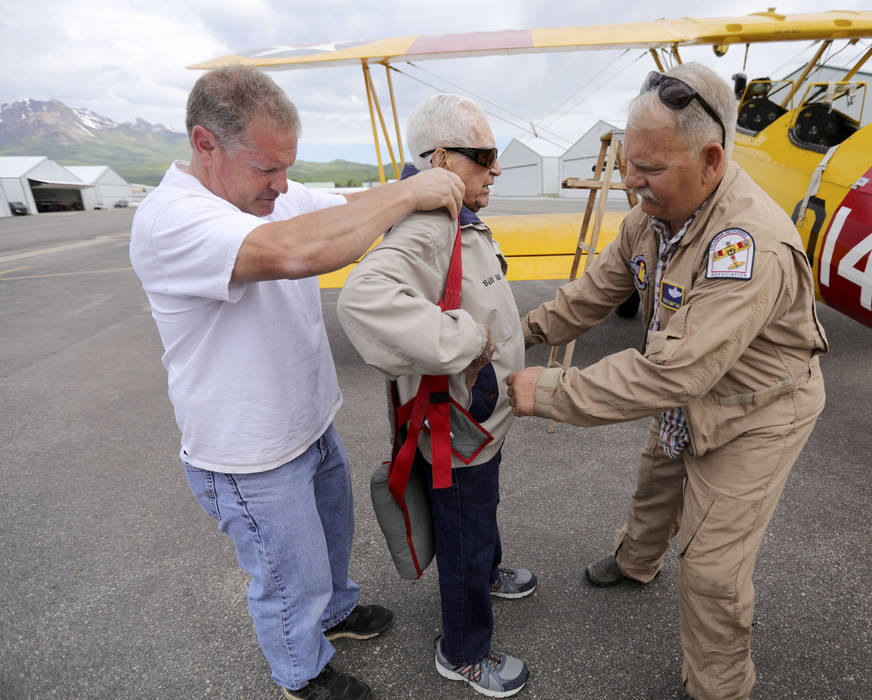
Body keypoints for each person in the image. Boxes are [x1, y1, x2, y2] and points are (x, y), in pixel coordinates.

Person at [129, 66, 464, 700]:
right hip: (249, 454)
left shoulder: (266, 195)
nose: (282, 185)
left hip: (306, 422)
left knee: (330, 545)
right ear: (206, 144)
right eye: (265, 169)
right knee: (289, 577)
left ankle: (336, 611)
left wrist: (407, 188)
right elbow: (293, 252)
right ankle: (301, 673)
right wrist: (407, 196)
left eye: (288, 166)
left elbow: (339, 209)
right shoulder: (172, 219)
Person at [506, 62, 828, 699]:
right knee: (658, 478)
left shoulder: (748, 245)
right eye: (629, 164)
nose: (631, 182)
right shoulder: (652, 218)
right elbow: (592, 294)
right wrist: (516, 332)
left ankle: (719, 687)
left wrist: (546, 392)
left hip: (757, 408)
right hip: (691, 392)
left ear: (710, 160)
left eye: (649, 170)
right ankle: (636, 562)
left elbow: (675, 370)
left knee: (710, 568)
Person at [337, 93, 534, 698]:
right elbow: (362, 300)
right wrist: (467, 339)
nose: (495, 169)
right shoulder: (428, 225)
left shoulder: (459, 214)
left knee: (480, 522)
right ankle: (464, 652)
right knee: (462, 539)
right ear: (442, 159)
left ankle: (489, 570)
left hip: (482, 421)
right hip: (457, 433)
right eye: (485, 157)